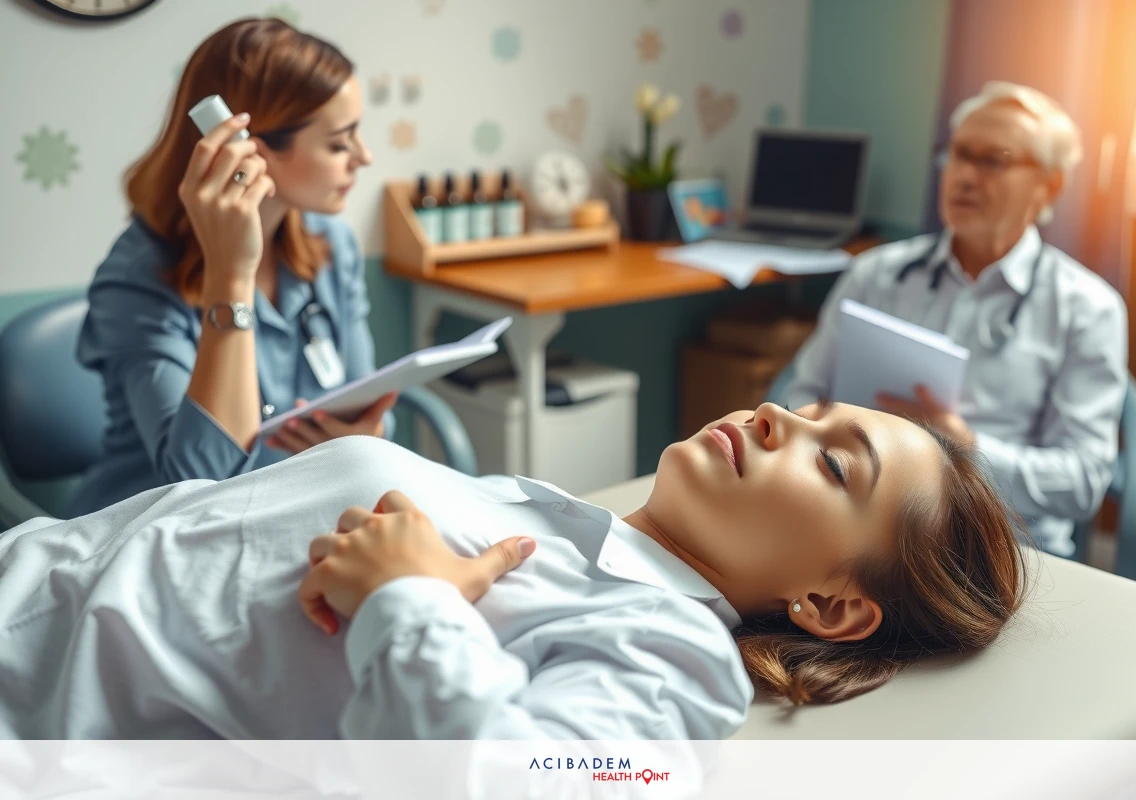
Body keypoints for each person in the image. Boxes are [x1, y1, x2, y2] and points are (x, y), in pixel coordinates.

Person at [0, 401, 1027, 739]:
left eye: (830, 458)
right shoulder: (547, 515)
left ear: (831, 602)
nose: (775, 416)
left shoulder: (671, 660)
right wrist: (346, 457)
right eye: (805, 405)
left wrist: (409, 597)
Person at [65, 18, 397, 518]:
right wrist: (231, 275)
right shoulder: (136, 278)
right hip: (153, 537)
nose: (364, 158)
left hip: (289, 514)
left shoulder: (331, 245)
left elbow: (366, 401)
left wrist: (364, 433)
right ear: (252, 154)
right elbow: (201, 482)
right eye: (338, 144)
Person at [782, 81, 1128, 559]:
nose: (965, 175)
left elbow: (1084, 481)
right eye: (959, 153)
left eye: (993, 160)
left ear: (1049, 186)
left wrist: (966, 449)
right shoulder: (876, 275)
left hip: (997, 549)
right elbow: (799, 396)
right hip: (859, 525)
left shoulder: (1088, 308)